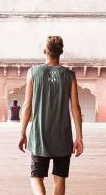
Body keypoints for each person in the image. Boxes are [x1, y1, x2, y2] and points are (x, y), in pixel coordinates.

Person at [18, 35, 83, 195]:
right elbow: (76, 108)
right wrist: (79, 137)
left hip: (40, 135)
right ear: (61, 52)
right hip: (62, 136)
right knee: (60, 178)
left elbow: (27, 106)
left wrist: (22, 133)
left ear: (45, 51)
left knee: (36, 177)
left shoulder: (33, 73)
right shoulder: (69, 75)